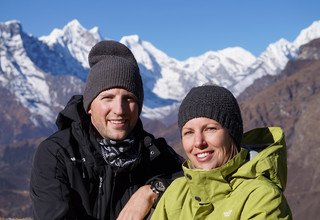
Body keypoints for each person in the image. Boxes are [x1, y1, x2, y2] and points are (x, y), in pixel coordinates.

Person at [30, 40, 183, 220]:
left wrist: (151, 190)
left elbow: (192, 179)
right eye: (107, 97)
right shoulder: (57, 154)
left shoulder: (153, 153)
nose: (119, 109)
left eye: (129, 98)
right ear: (89, 106)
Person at [151, 84, 292, 219]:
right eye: (189, 132)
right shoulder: (175, 193)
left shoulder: (263, 198)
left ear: (232, 134)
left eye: (210, 129)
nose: (198, 142)